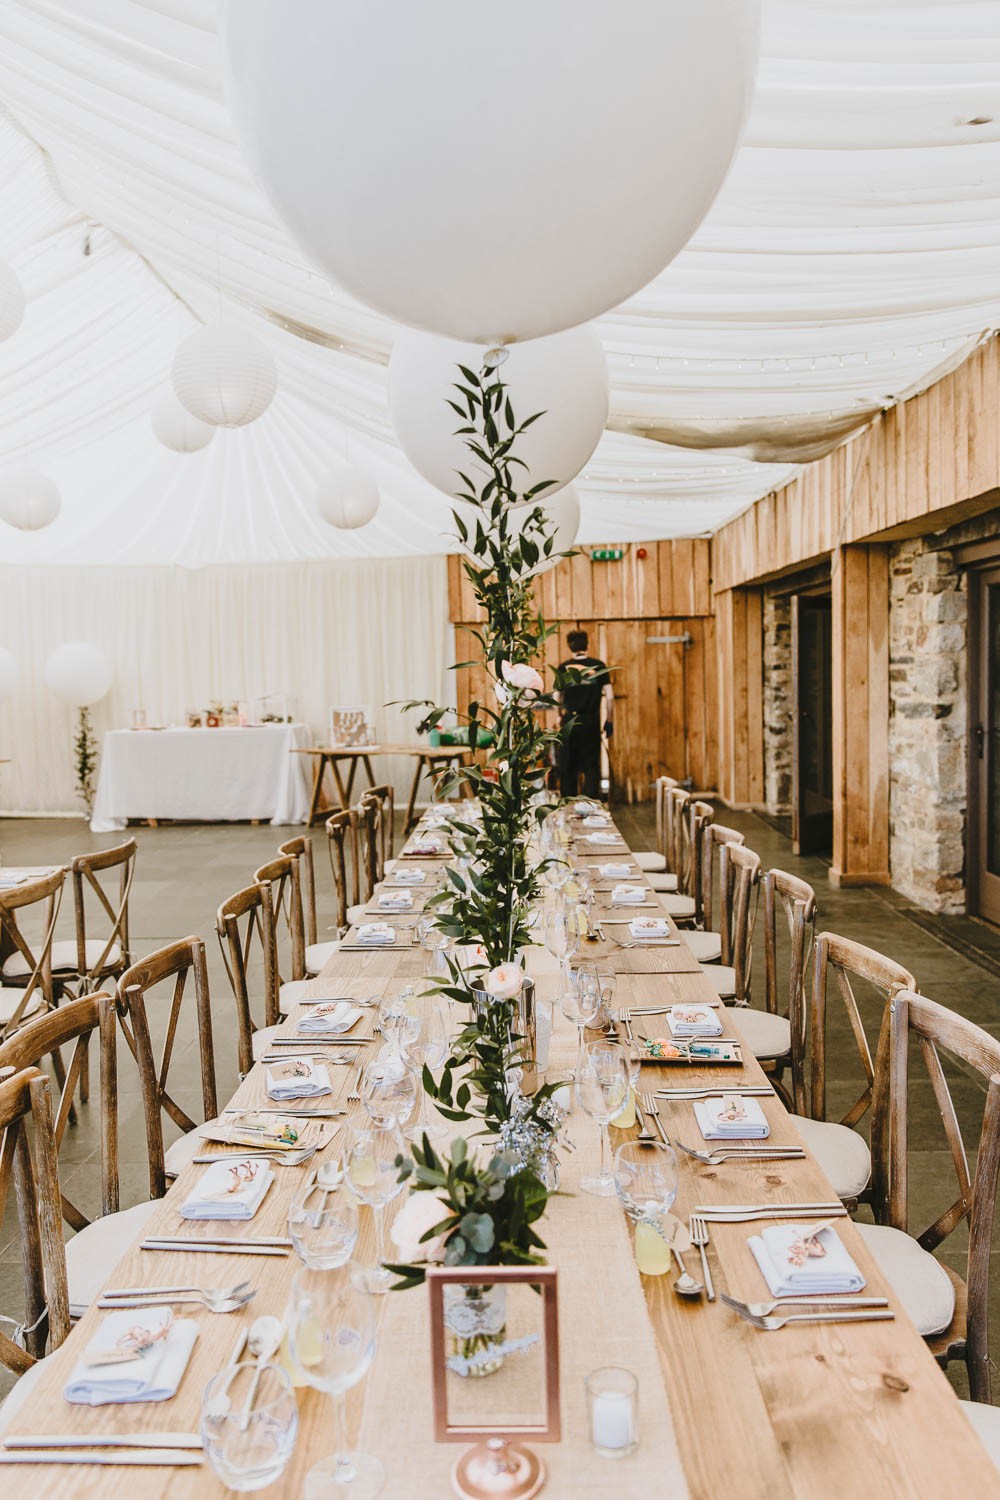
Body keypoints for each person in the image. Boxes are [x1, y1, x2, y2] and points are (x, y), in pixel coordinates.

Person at [556, 629, 613, 799]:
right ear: (587, 645)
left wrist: (560, 716)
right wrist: (609, 721)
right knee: (591, 766)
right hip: (591, 720)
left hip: (570, 720)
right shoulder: (599, 666)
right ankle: (591, 805)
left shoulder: (563, 667)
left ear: (570, 647)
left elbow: (556, 697)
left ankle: (568, 805)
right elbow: (610, 697)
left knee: (568, 766)